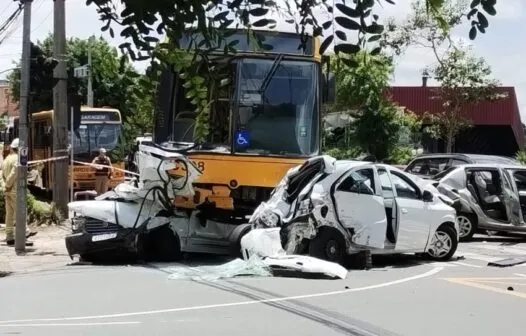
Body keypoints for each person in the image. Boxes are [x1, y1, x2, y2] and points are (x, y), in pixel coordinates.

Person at [1, 138, 36, 246]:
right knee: (21, 212)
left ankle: (9, 236)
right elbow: (14, 172)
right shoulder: (18, 158)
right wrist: (8, 185)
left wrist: (5, 187)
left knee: (10, 214)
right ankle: (25, 234)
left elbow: (2, 174)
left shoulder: (6, 159)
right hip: (15, 190)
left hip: (8, 190)